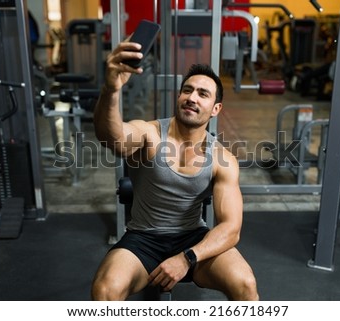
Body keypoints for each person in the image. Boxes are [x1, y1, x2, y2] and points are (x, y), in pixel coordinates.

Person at [92, 39, 259, 301]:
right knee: (105, 291)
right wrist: (110, 90)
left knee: (246, 285)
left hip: (193, 241)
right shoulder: (150, 133)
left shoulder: (222, 158)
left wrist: (187, 257)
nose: (192, 97)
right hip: (143, 239)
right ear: (178, 96)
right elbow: (112, 139)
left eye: (203, 94)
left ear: (216, 109)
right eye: (187, 90)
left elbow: (231, 228)